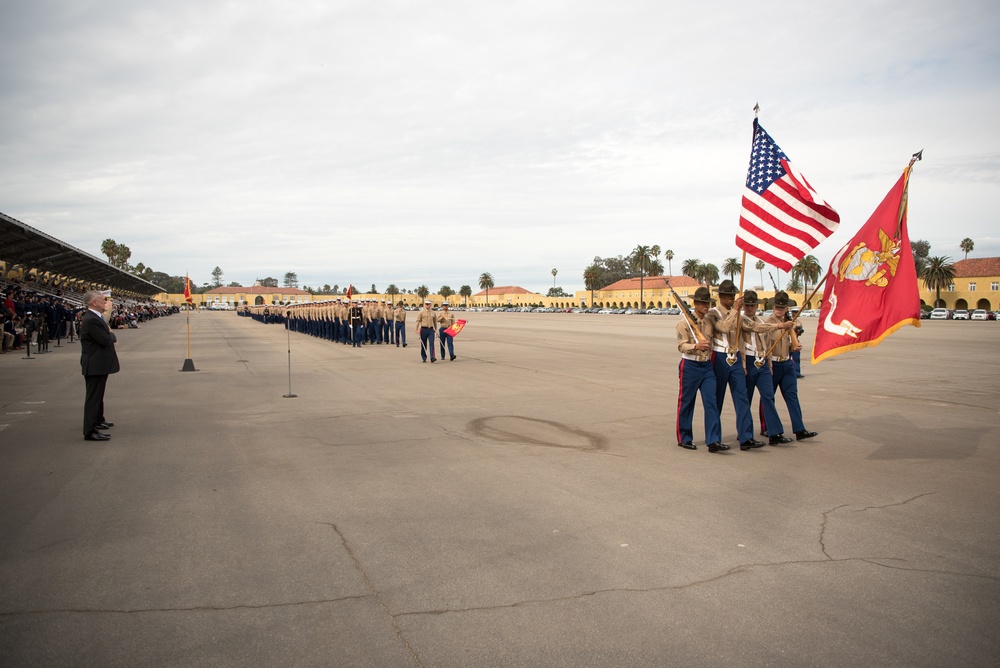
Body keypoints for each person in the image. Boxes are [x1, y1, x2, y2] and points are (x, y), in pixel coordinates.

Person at [704, 279, 766, 451]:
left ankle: (746, 436)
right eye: (729, 295)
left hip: (735, 356)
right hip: (719, 356)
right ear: (721, 296)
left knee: (742, 397)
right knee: (717, 399)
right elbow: (723, 327)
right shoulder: (713, 313)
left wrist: (779, 325)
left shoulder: (737, 313)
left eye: (733, 295)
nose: (732, 298)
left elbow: (752, 326)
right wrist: (736, 310)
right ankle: (713, 439)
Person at [675, 287, 727, 453]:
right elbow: (681, 345)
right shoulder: (684, 324)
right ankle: (684, 437)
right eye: (703, 303)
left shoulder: (708, 323)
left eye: (708, 303)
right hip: (690, 365)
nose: (706, 306)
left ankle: (713, 440)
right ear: (695, 303)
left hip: (706, 366)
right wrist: (696, 346)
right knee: (687, 403)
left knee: (711, 402)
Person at [739, 290, 794, 445]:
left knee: (769, 397)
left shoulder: (762, 322)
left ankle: (774, 432)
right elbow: (755, 327)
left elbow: (767, 343)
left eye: (752, 305)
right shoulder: (741, 320)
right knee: (746, 399)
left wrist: (769, 363)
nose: (749, 308)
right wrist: (780, 325)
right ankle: (745, 433)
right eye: (747, 305)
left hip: (762, 362)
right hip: (749, 361)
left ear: (757, 306)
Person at [761, 291, 817, 442]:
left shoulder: (790, 324)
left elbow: (789, 345)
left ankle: (799, 429)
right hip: (772, 364)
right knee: (767, 398)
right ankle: (766, 427)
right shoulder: (768, 323)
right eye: (778, 307)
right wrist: (768, 364)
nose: (780, 310)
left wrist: (795, 347)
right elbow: (765, 346)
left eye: (783, 307)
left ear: (787, 308)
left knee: (792, 396)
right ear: (773, 307)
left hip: (786, 363)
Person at [80, 290, 120, 441]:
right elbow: (105, 339)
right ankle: (89, 430)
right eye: (103, 300)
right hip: (95, 363)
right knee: (93, 397)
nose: (106, 302)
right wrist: (112, 335)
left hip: (99, 363)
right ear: (94, 302)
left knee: (98, 395)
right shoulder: (91, 319)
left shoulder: (96, 317)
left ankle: (97, 420)